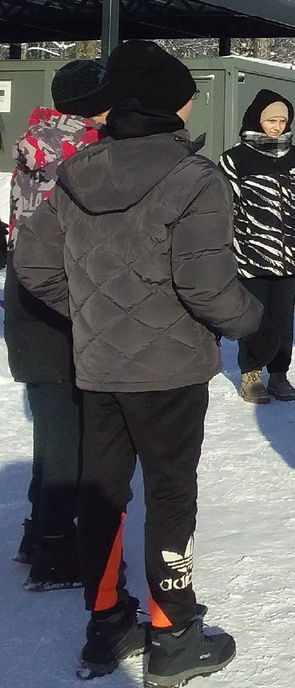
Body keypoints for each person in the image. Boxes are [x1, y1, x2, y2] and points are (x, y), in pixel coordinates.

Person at [15, 40, 273, 684]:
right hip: (171, 371)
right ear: (171, 104)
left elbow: (34, 266)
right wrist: (253, 322)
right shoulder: (195, 178)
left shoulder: (78, 173)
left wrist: (94, 315)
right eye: (188, 94)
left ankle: (106, 622)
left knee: (104, 493)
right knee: (169, 492)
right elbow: (208, 287)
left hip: (100, 367)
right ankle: (172, 628)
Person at [5, 59, 113, 590]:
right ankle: (54, 547)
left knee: (53, 425)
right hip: (65, 295)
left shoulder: (37, 140)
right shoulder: (90, 153)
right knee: (70, 429)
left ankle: (38, 532)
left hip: (26, 295)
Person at [218, 88, 295, 403]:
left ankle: (279, 374)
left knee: (283, 318)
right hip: (251, 253)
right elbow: (224, 208)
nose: (277, 126)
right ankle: (251, 374)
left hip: (288, 255)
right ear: (257, 119)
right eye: (271, 120)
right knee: (254, 317)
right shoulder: (235, 159)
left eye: (282, 120)